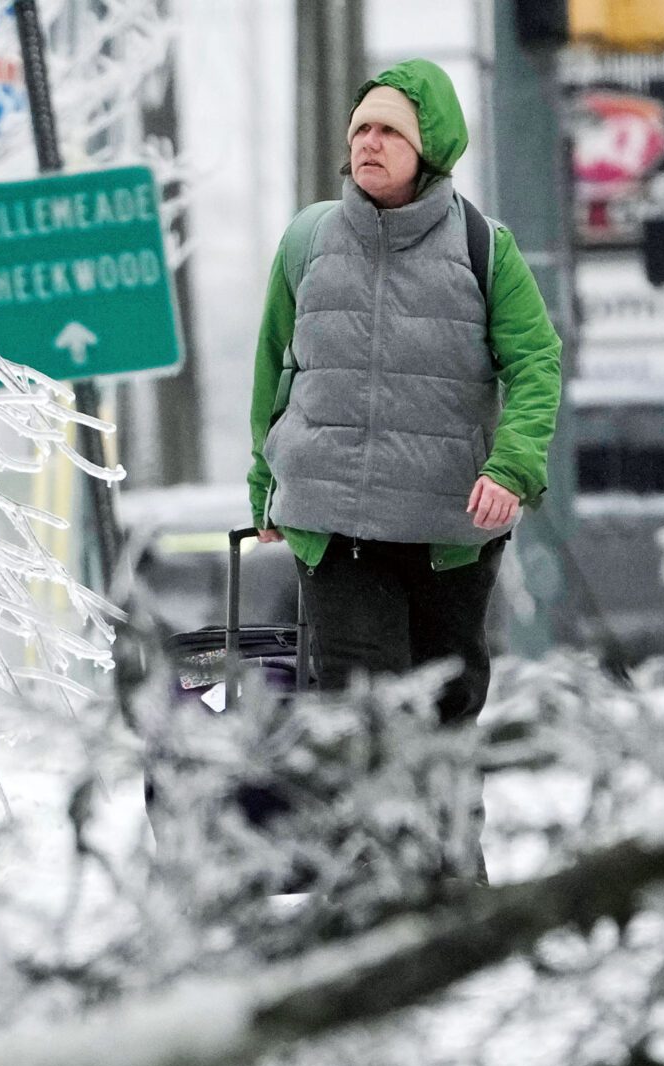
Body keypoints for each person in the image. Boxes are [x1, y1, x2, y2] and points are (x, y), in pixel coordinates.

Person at [249, 59, 564, 728]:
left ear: (431, 148)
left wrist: (511, 467)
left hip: (449, 529)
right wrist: (264, 485)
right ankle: (373, 801)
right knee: (367, 713)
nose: (369, 142)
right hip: (335, 524)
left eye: (390, 131)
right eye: (361, 129)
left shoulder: (484, 248)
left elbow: (536, 364)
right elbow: (275, 368)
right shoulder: (308, 240)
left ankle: (445, 804)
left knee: (446, 713)